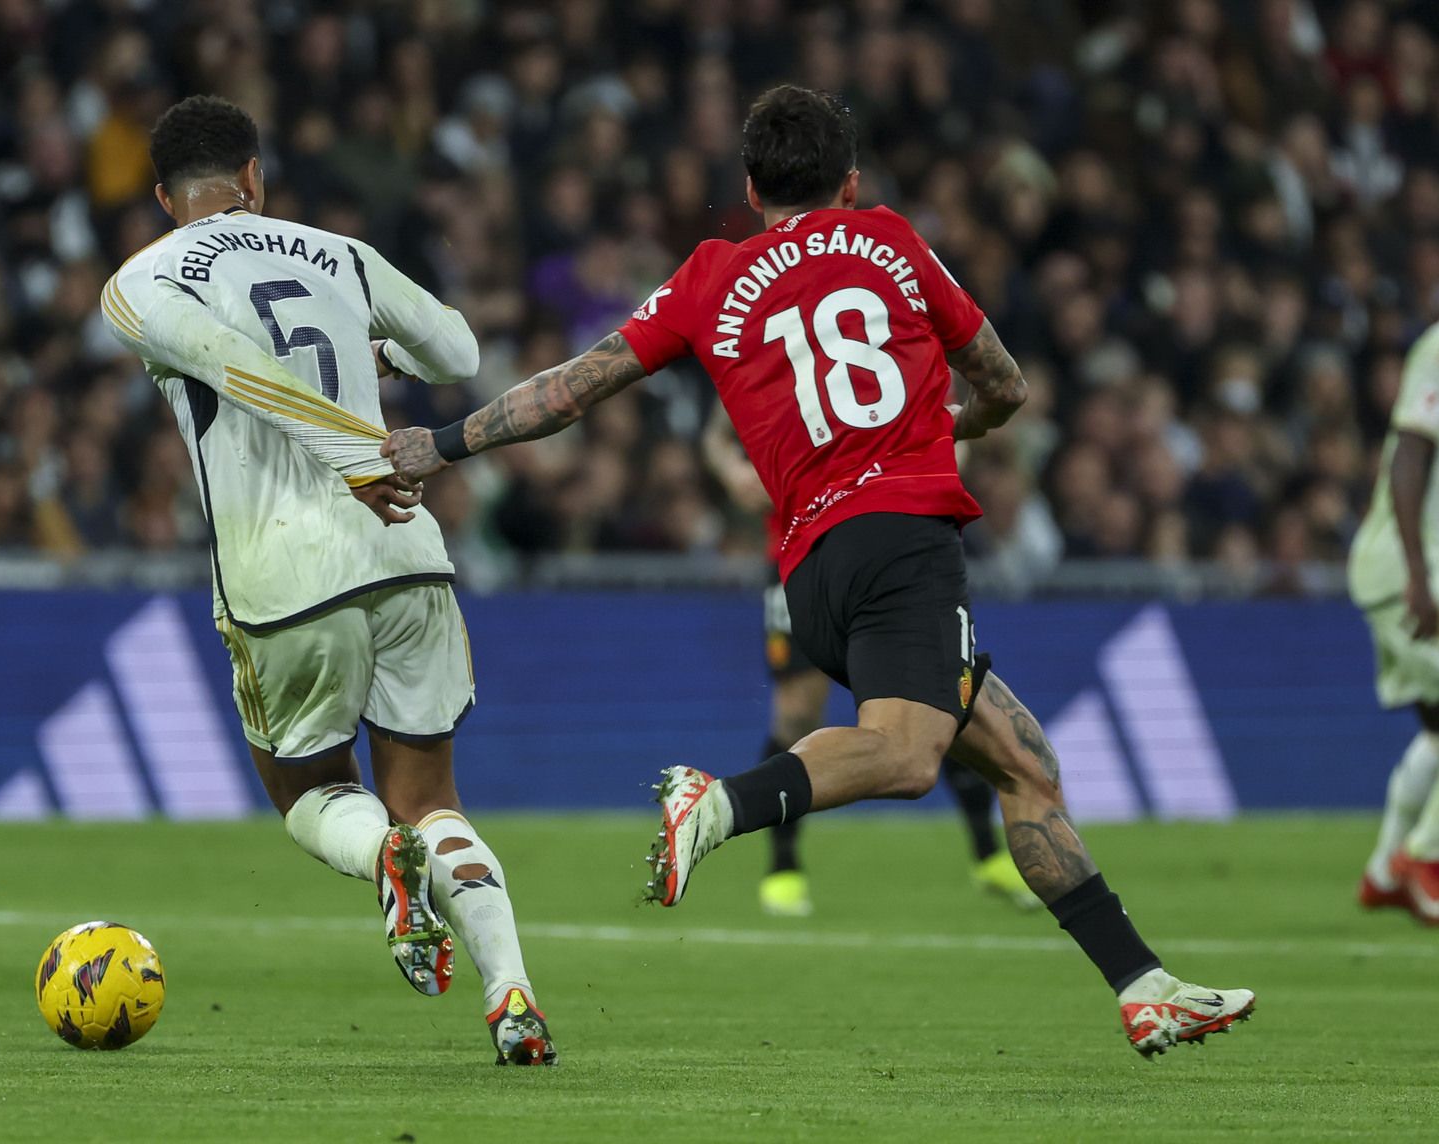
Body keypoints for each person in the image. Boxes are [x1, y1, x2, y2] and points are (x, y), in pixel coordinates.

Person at [383, 85, 1254, 1057]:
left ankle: (1143, 984)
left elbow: (570, 390)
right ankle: (716, 802)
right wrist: (948, 426)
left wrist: (440, 443)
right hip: (904, 540)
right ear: (850, 181)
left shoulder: (710, 275)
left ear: (751, 187)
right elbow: (1005, 383)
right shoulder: (891, 240)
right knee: (906, 754)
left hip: (813, 566)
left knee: (1024, 764)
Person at [101, 95, 554, 1065]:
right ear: (256, 178)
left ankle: (380, 857)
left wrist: (347, 453)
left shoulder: (140, 279)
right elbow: (461, 352)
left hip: (282, 570)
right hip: (405, 551)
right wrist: (373, 367)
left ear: (161, 198)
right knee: (433, 800)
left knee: (310, 793)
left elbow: (228, 361)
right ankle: (510, 990)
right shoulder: (336, 252)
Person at [701, 407, 1038, 916]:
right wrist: (732, 469)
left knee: (930, 701)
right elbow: (718, 431)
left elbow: (951, 426)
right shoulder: (766, 344)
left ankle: (988, 854)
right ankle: (784, 866)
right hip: (799, 558)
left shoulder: (884, 341)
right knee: (796, 712)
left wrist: (942, 454)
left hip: (887, 552)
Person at [1348, 320, 1439, 924]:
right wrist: (1417, 570)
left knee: (1436, 731)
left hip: (1422, 569)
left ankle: (1385, 871)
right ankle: (1423, 857)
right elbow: (1411, 451)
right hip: (1414, 569)